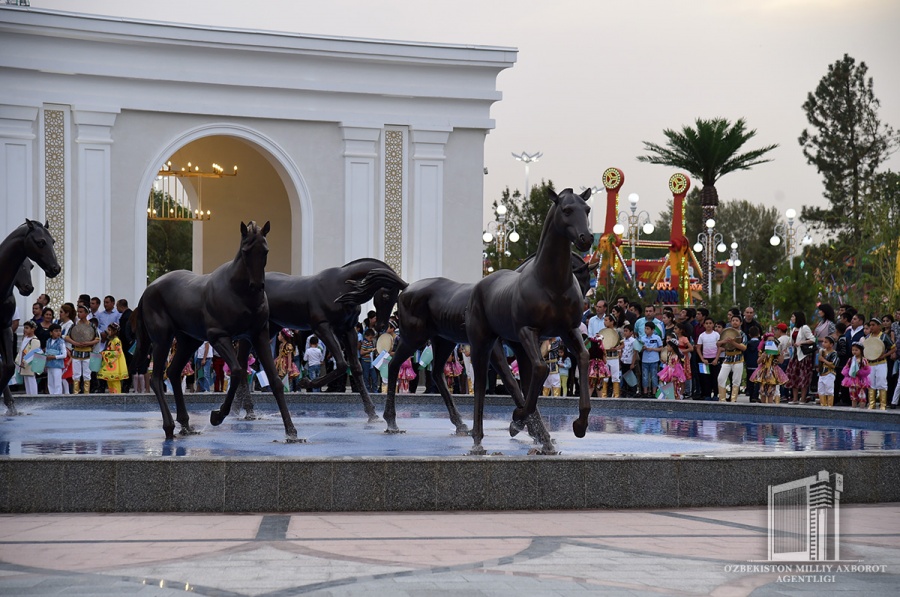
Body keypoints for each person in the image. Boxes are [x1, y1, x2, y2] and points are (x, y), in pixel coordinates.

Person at [67, 304, 99, 394]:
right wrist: (75, 343)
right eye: (78, 312)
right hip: (76, 352)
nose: (79, 314)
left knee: (87, 374)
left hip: (87, 352)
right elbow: (67, 337)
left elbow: (97, 339)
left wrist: (88, 343)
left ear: (86, 313)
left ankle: (86, 393)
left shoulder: (92, 325)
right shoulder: (74, 325)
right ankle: (76, 393)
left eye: (81, 312)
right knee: (76, 374)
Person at [785, 311, 816, 404]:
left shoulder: (804, 328)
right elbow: (791, 340)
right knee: (793, 376)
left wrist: (801, 342)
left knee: (803, 376)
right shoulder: (793, 328)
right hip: (794, 355)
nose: (792, 318)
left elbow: (812, 339)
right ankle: (794, 398)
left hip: (803, 356)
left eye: (793, 317)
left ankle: (802, 398)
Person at [864, 317, 894, 410]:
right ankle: (871, 404)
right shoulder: (867, 337)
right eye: (870, 325)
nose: (871, 327)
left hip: (881, 363)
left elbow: (893, 348)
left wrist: (884, 355)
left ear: (879, 326)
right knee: (871, 383)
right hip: (870, 363)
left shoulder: (884, 336)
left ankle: (883, 405)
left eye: (873, 325)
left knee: (882, 382)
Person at [716, 315, 748, 402]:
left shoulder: (742, 334)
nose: (734, 322)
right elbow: (718, 344)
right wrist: (724, 341)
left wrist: (733, 343)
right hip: (727, 358)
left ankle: (733, 400)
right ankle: (722, 399)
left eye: (737, 320)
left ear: (740, 323)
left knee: (736, 380)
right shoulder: (726, 332)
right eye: (733, 320)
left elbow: (744, 347)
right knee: (721, 378)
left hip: (738, 358)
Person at [751, 333, 788, 404]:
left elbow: (781, 361)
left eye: (772, 341)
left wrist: (780, 353)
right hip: (763, 372)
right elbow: (758, 361)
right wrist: (763, 355)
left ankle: (770, 408)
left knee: (771, 392)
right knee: (762, 392)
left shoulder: (776, 352)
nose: (771, 342)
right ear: (765, 341)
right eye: (769, 340)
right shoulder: (762, 351)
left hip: (772, 372)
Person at [98, 322, 128, 393]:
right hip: (110, 363)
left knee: (115, 382)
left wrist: (105, 353)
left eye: (109, 330)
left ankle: (117, 396)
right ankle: (112, 396)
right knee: (110, 382)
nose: (107, 331)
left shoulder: (116, 341)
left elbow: (119, 352)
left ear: (114, 331)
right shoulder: (111, 341)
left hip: (115, 363)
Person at [695, 317, 720, 400]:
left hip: (714, 359)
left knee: (715, 377)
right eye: (707, 323)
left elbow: (719, 347)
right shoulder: (702, 336)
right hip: (705, 359)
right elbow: (698, 348)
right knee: (705, 378)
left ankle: (716, 394)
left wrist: (716, 359)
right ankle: (707, 395)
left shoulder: (716, 335)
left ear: (713, 324)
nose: (708, 325)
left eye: (710, 323)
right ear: (704, 325)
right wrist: (702, 359)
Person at [15, 321, 42, 395]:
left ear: (33, 329)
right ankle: (28, 395)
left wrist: (24, 362)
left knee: (31, 381)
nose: (25, 329)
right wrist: (18, 361)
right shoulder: (25, 338)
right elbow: (21, 351)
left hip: (29, 365)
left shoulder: (35, 341)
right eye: (24, 328)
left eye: (27, 328)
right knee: (26, 382)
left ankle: (34, 396)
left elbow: (32, 353)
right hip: (23, 364)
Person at [841, 343, 871, 407]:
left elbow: (867, 369)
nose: (854, 351)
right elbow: (846, 368)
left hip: (861, 380)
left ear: (861, 351)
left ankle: (862, 408)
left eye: (856, 350)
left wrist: (860, 372)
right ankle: (853, 409)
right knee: (853, 396)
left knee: (862, 396)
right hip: (852, 380)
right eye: (853, 350)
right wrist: (849, 372)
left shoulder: (864, 360)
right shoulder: (850, 359)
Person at [640, 322, 663, 398]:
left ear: (652, 330)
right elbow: (639, 349)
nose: (646, 330)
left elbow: (661, 348)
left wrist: (652, 349)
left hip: (654, 360)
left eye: (648, 329)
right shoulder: (642, 338)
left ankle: (654, 392)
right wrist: (642, 349)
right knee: (645, 376)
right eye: (645, 328)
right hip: (645, 360)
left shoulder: (657, 338)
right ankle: (645, 392)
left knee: (654, 376)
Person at [43, 323, 67, 395]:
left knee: (57, 382)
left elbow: (64, 355)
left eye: (59, 331)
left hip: (57, 365)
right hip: (49, 365)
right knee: (50, 382)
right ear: (51, 332)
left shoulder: (61, 342)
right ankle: (51, 394)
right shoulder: (48, 341)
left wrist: (54, 357)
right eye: (56, 331)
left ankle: (58, 395)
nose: (58, 333)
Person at [817, 335, 839, 407]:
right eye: (823, 342)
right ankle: (823, 405)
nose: (823, 343)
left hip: (829, 373)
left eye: (826, 342)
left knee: (829, 391)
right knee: (821, 391)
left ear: (831, 344)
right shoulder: (822, 352)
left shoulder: (834, 353)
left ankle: (829, 406)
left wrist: (823, 360)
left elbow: (833, 365)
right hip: (822, 373)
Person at [743, 325, 761, 403]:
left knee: (750, 380)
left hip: (749, 365)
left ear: (749, 335)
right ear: (759, 334)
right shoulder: (760, 344)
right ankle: (755, 395)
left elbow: (745, 354)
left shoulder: (747, 344)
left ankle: (750, 396)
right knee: (757, 381)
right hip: (758, 365)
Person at [359, 328, 378, 394]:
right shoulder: (365, 343)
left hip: (371, 362)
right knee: (366, 376)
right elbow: (361, 352)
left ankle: (375, 389)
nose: (371, 339)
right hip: (365, 362)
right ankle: (367, 390)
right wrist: (370, 351)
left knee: (374, 376)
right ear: (366, 336)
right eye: (370, 338)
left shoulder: (370, 343)